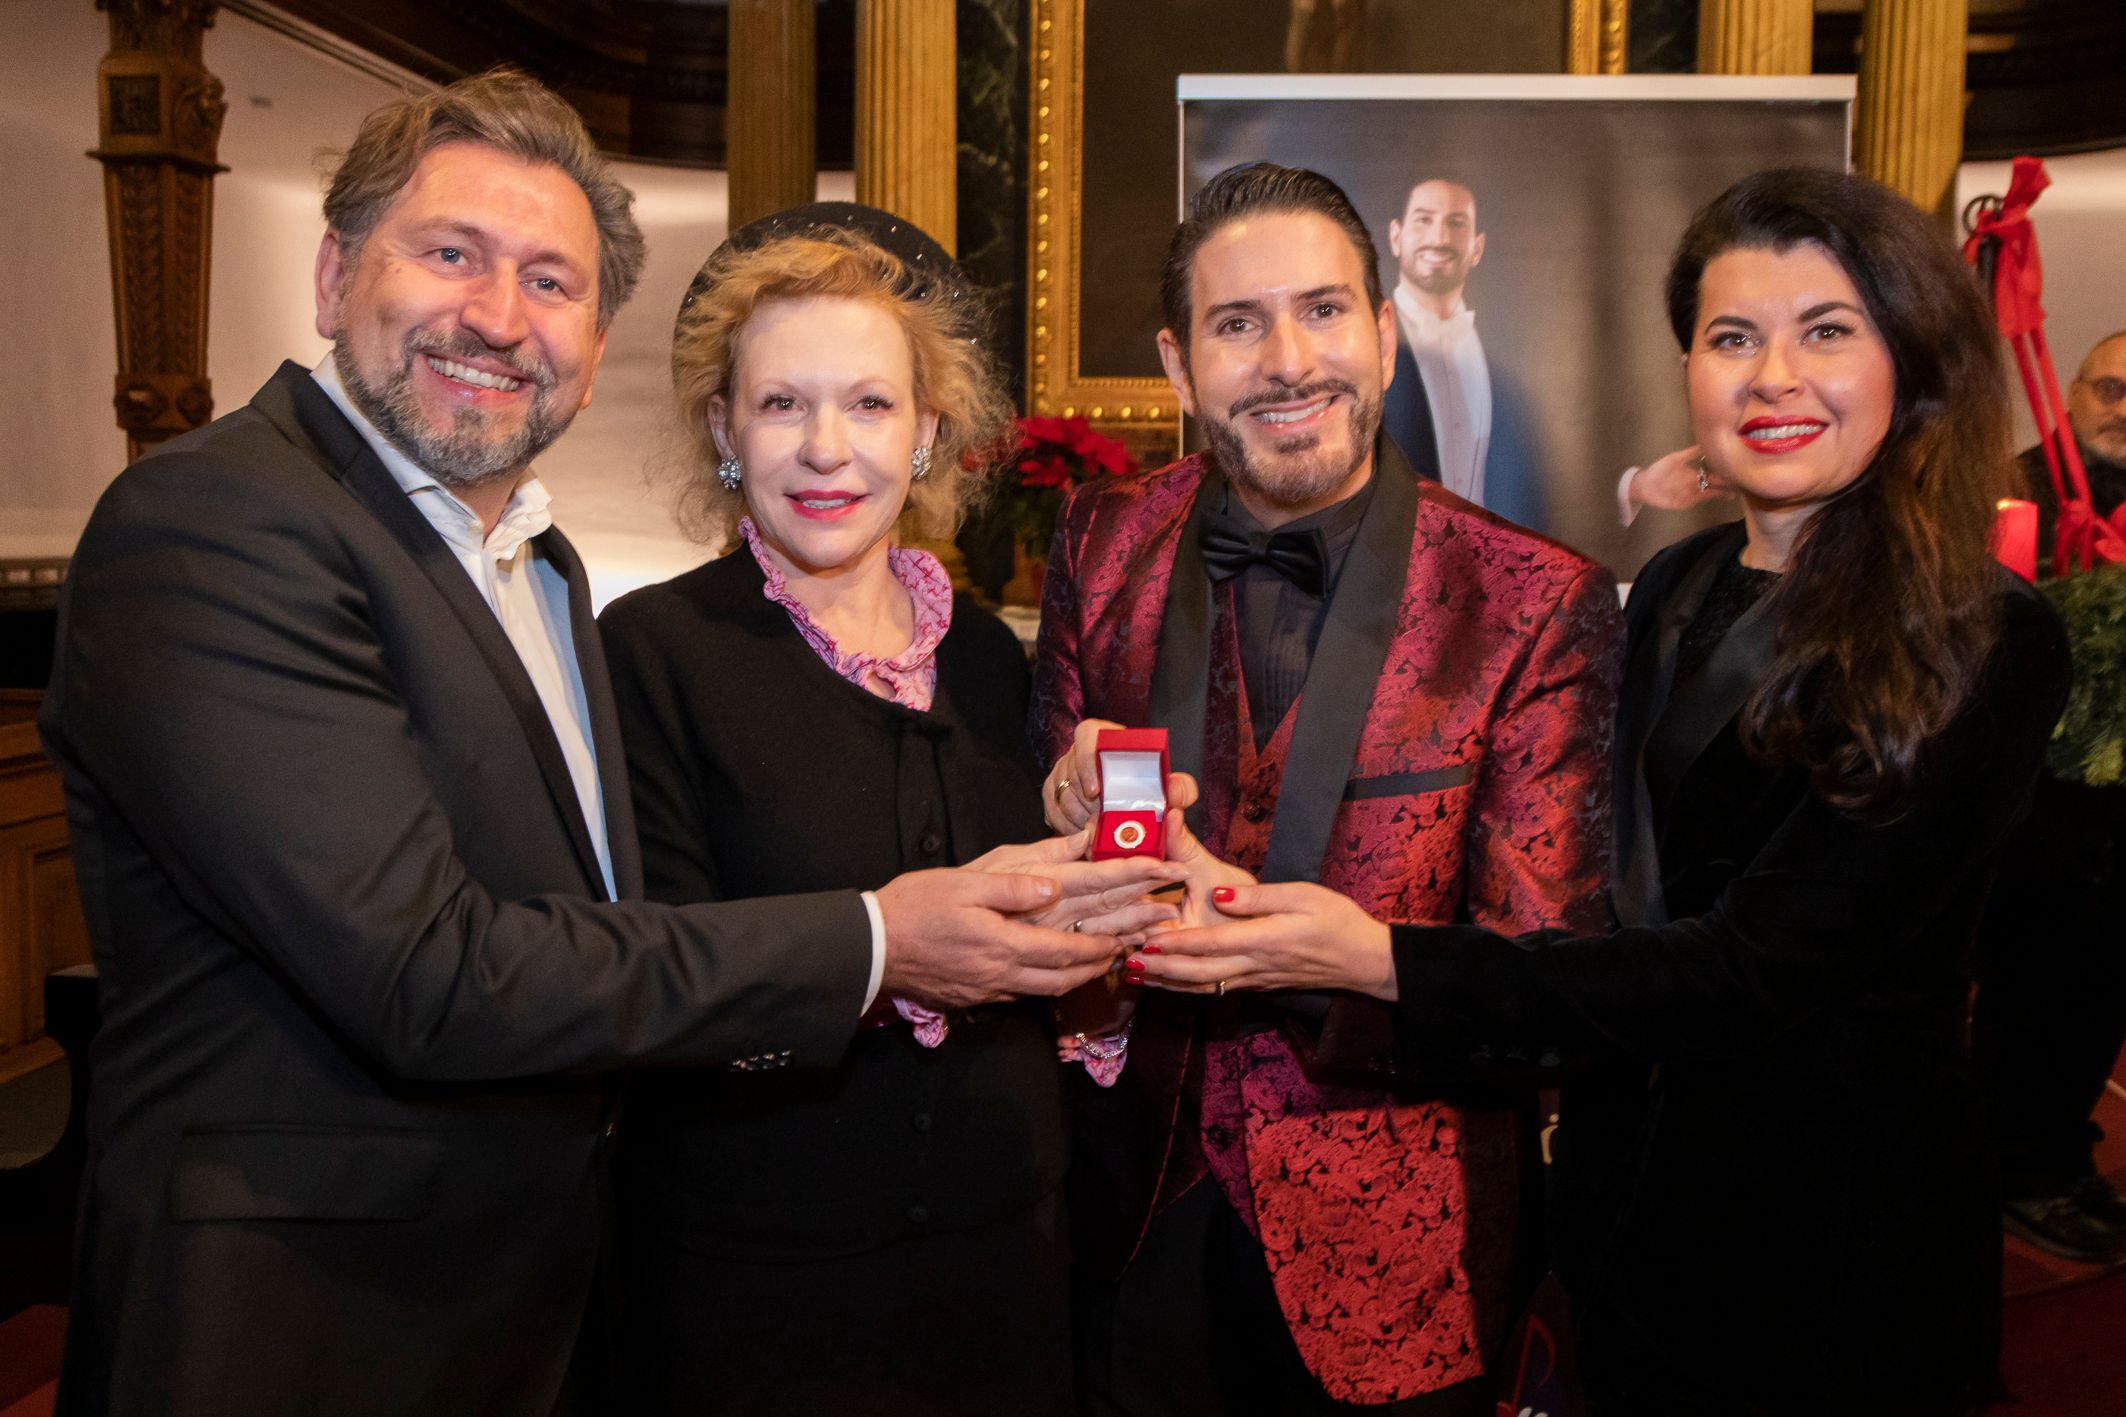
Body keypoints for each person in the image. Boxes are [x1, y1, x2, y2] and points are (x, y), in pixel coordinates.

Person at [37, 72, 1133, 1417]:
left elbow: (584, 929)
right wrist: (878, 939)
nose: (498, 316)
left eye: (549, 281)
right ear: (332, 277)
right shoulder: (216, 524)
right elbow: (428, 968)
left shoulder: (537, 565)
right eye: (449, 254)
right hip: (318, 1310)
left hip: (552, 1289)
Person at [1136, 166, 2075, 1415]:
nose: (1772, 377)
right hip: (1627, 1227)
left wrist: (1381, 960)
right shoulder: (1676, 586)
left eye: (1826, 332)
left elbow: (1746, 972)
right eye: (1731, 337)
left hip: (1830, 1255)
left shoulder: (1979, 635)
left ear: (1913, 359)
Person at [1033, 161, 1622, 1416]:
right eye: (1237, 324)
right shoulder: (1096, 540)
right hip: (1133, 1212)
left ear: (1385, 332)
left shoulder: (1530, 597)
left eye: (1322, 310)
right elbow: (1039, 885)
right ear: (1178, 364)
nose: (1287, 359)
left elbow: (1555, 981)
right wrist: (1062, 817)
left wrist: (1367, 958)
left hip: (1401, 1245)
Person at [596, 207, 1173, 1416]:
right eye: (778, 404)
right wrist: (888, 952)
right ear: (721, 429)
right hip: (757, 1293)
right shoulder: (654, 651)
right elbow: (650, 980)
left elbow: (1041, 975)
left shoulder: (985, 656)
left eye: (867, 404)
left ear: (925, 434)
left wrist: (1111, 903)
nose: (824, 449)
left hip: (1002, 1274)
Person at [1973, 327, 2126, 1264]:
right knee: (2038, 997)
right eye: (2108, 386)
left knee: (2097, 997)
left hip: (2115, 818)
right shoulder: (2013, 493)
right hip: (2033, 815)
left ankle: (2061, 1159)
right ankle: (2019, 1171)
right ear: (2068, 392)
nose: (2122, 407)